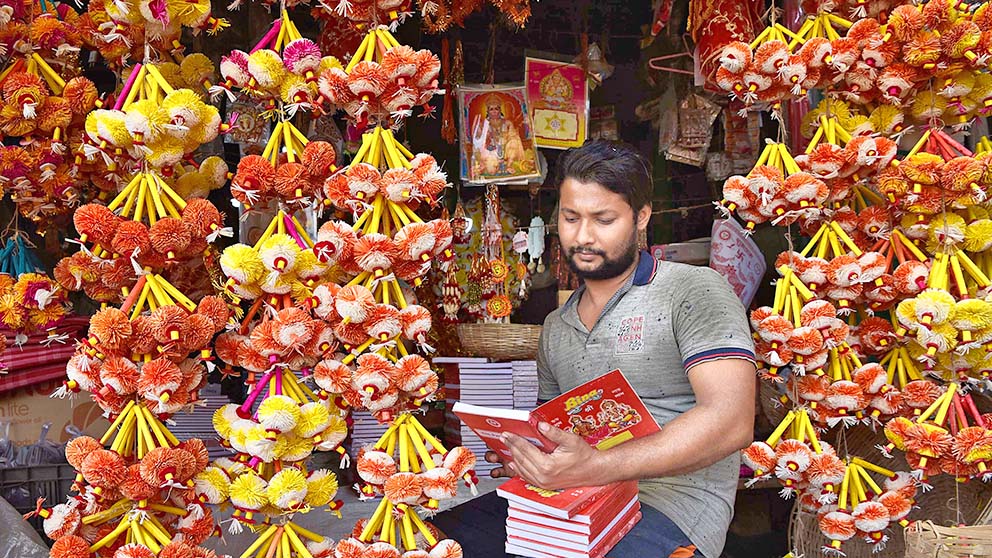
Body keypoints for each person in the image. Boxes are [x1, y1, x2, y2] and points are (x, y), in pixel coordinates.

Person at [430, 140, 757, 558]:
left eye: (603, 219)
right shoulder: (556, 325)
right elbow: (551, 431)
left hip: (669, 505)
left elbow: (731, 421)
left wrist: (595, 466)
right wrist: (531, 460)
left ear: (641, 217)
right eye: (570, 218)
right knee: (429, 543)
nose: (583, 236)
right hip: (569, 496)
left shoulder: (692, 289)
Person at [471, 96, 529, 178]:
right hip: (490, 151)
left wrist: (505, 140)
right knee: (491, 170)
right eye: (491, 109)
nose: (494, 111)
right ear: (487, 111)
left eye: (496, 109)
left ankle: (509, 165)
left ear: (500, 110)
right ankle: (483, 166)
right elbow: (478, 139)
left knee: (514, 141)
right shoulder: (483, 124)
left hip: (506, 149)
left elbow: (513, 135)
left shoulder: (507, 123)